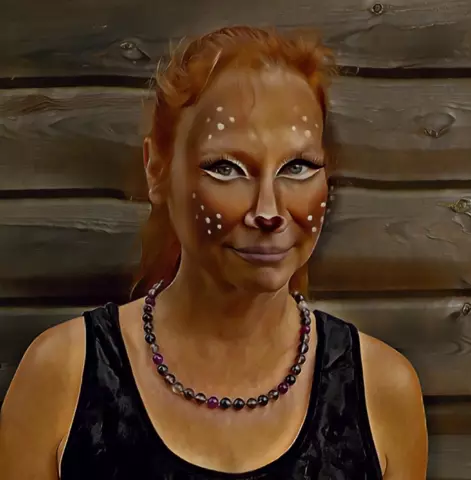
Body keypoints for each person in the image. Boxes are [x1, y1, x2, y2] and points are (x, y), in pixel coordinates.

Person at [0, 26, 428, 479]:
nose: (269, 211)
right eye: (226, 168)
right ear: (157, 169)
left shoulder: (382, 390)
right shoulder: (62, 376)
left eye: (298, 166)